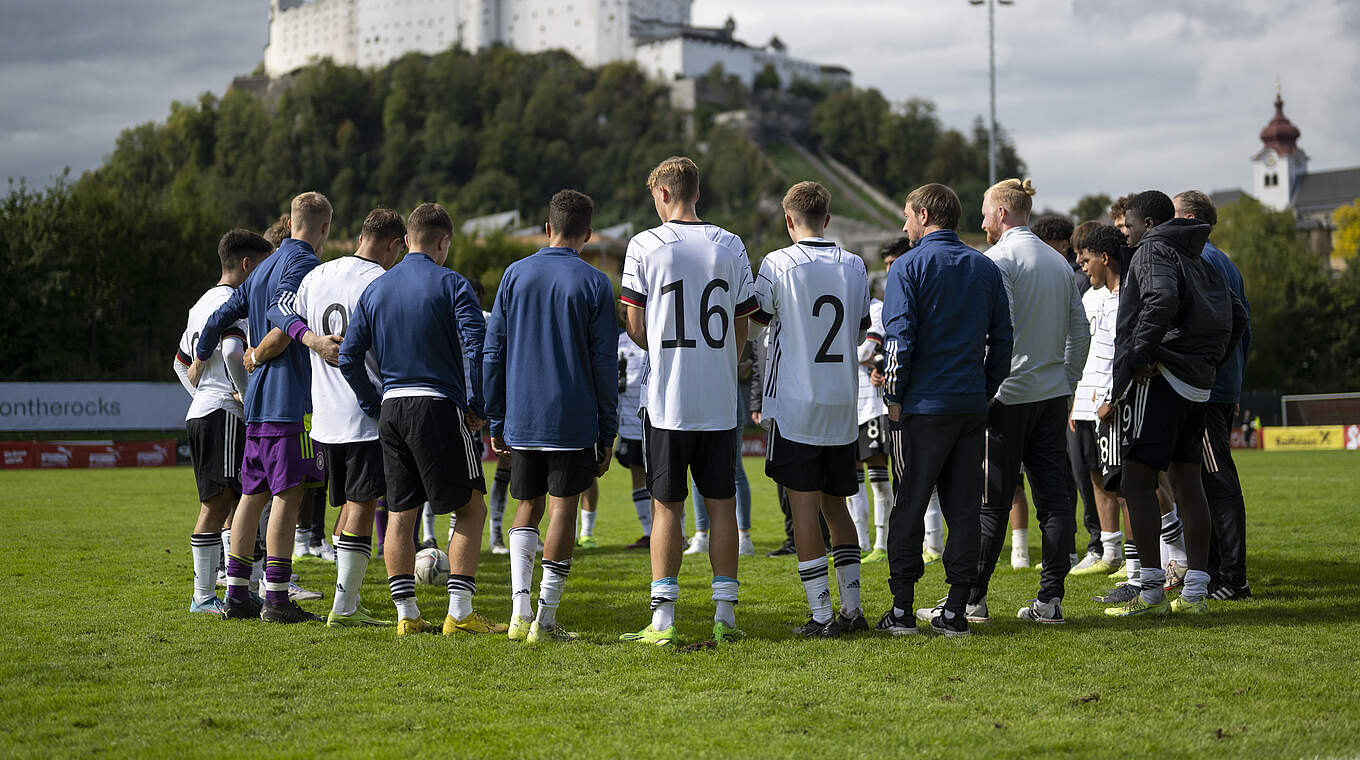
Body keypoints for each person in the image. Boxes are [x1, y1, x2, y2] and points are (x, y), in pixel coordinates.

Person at [339, 202, 501, 636]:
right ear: (444, 241)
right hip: (436, 405)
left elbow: (350, 357)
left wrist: (373, 404)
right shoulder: (453, 284)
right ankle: (461, 614)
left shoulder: (375, 289)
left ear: (407, 239)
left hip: (392, 408)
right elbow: (477, 346)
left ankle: (407, 616)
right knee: (471, 507)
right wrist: (478, 405)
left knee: (400, 513)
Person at [618, 156, 757, 647]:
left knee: (666, 509)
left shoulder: (644, 244)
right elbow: (743, 326)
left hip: (667, 400)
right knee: (722, 505)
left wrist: (657, 341)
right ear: (697, 192)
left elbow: (634, 325)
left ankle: (662, 620)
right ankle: (725, 616)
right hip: (718, 400)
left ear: (662, 194)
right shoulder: (731, 244)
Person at [190, 192, 338, 624]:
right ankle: (275, 598)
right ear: (324, 228)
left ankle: (236, 594)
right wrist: (309, 339)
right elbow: (283, 313)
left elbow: (223, 314)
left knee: (252, 497)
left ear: (292, 223)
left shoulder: (260, 269)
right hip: (289, 399)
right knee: (287, 498)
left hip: (255, 403)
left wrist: (202, 349)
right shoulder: (303, 264)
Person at [878, 183, 1012, 637]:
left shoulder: (908, 267)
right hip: (970, 405)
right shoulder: (984, 267)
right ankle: (956, 609)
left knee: (909, 504)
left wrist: (893, 399)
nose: (904, 225)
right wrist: (986, 389)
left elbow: (899, 340)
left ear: (922, 214)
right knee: (964, 510)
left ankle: (901, 609)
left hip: (921, 408)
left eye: (907, 217)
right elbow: (1004, 341)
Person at [485, 189, 618, 644]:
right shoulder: (596, 283)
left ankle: (520, 612)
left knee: (528, 506)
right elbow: (605, 363)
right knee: (563, 507)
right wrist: (608, 429)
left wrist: (495, 414)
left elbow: (493, 350)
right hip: (572, 415)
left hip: (522, 414)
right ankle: (545, 619)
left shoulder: (514, 275)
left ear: (547, 228)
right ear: (587, 233)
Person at [1105, 190, 1246, 618]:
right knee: (1188, 483)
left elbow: (1161, 300)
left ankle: (1149, 593)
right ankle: (1197, 592)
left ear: (1148, 224)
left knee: (1135, 481)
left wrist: (1138, 359)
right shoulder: (1200, 255)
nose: (1124, 237)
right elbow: (1239, 317)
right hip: (1197, 386)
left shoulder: (1153, 252)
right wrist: (1208, 363)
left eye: (1127, 226)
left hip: (1162, 381)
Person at [751, 181, 871, 638]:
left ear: (788, 220)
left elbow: (757, 320)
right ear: (828, 218)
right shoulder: (855, 265)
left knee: (804, 511)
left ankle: (821, 616)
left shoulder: (777, 262)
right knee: (837, 507)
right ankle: (852, 611)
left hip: (796, 403)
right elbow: (860, 331)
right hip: (842, 401)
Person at [969, 178, 1089, 626]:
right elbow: (1081, 332)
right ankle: (1050, 600)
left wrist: (991, 387)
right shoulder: (1059, 262)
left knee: (993, 501)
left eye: (984, 212)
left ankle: (973, 599)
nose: (981, 220)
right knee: (1055, 500)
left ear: (1002, 212)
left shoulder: (997, 259)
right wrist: (1067, 378)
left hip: (1010, 395)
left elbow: (998, 330)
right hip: (1053, 394)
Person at [294, 208, 407, 627]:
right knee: (362, 505)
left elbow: (283, 314)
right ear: (394, 245)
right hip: (366, 413)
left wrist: (310, 341)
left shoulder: (317, 275)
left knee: (349, 507)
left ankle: (347, 597)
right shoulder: (382, 282)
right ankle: (345, 607)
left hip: (324, 414)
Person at [175, 229, 271, 615]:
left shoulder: (200, 303)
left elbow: (180, 363)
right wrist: (246, 395)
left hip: (202, 411)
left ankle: (237, 589)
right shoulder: (234, 301)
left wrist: (201, 395)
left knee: (229, 502)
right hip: (223, 414)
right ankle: (203, 596)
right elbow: (233, 349)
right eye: (262, 267)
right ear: (247, 264)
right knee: (219, 505)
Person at [1173, 190, 1253, 600]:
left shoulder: (1200, 260)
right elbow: (1246, 326)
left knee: (1215, 479)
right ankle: (1219, 571)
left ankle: (1230, 577)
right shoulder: (1224, 260)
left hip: (1206, 387)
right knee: (1208, 478)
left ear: (1187, 218)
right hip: (1221, 384)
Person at [1068, 225, 1128, 578]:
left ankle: (1138, 558)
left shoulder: (1126, 298)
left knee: (1121, 481)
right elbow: (1079, 351)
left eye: (1085, 257)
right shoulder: (1089, 298)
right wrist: (1074, 399)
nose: (1081, 264)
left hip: (1111, 404)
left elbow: (1123, 357)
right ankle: (1109, 551)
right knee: (1093, 476)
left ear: (1104, 257)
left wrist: (1112, 398)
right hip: (1084, 402)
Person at [855, 238, 903, 564]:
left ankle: (882, 544)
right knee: (851, 479)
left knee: (878, 477)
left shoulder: (874, 309)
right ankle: (858, 544)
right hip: (849, 406)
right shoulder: (846, 309)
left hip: (873, 405)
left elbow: (866, 352)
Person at [615, 306, 654, 550]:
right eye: (624, 314)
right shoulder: (617, 342)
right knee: (637, 475)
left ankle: (679, 533)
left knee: (663, 477)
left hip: (656, 418)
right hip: (629, 421)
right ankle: (649, 532)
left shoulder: (655, 337)